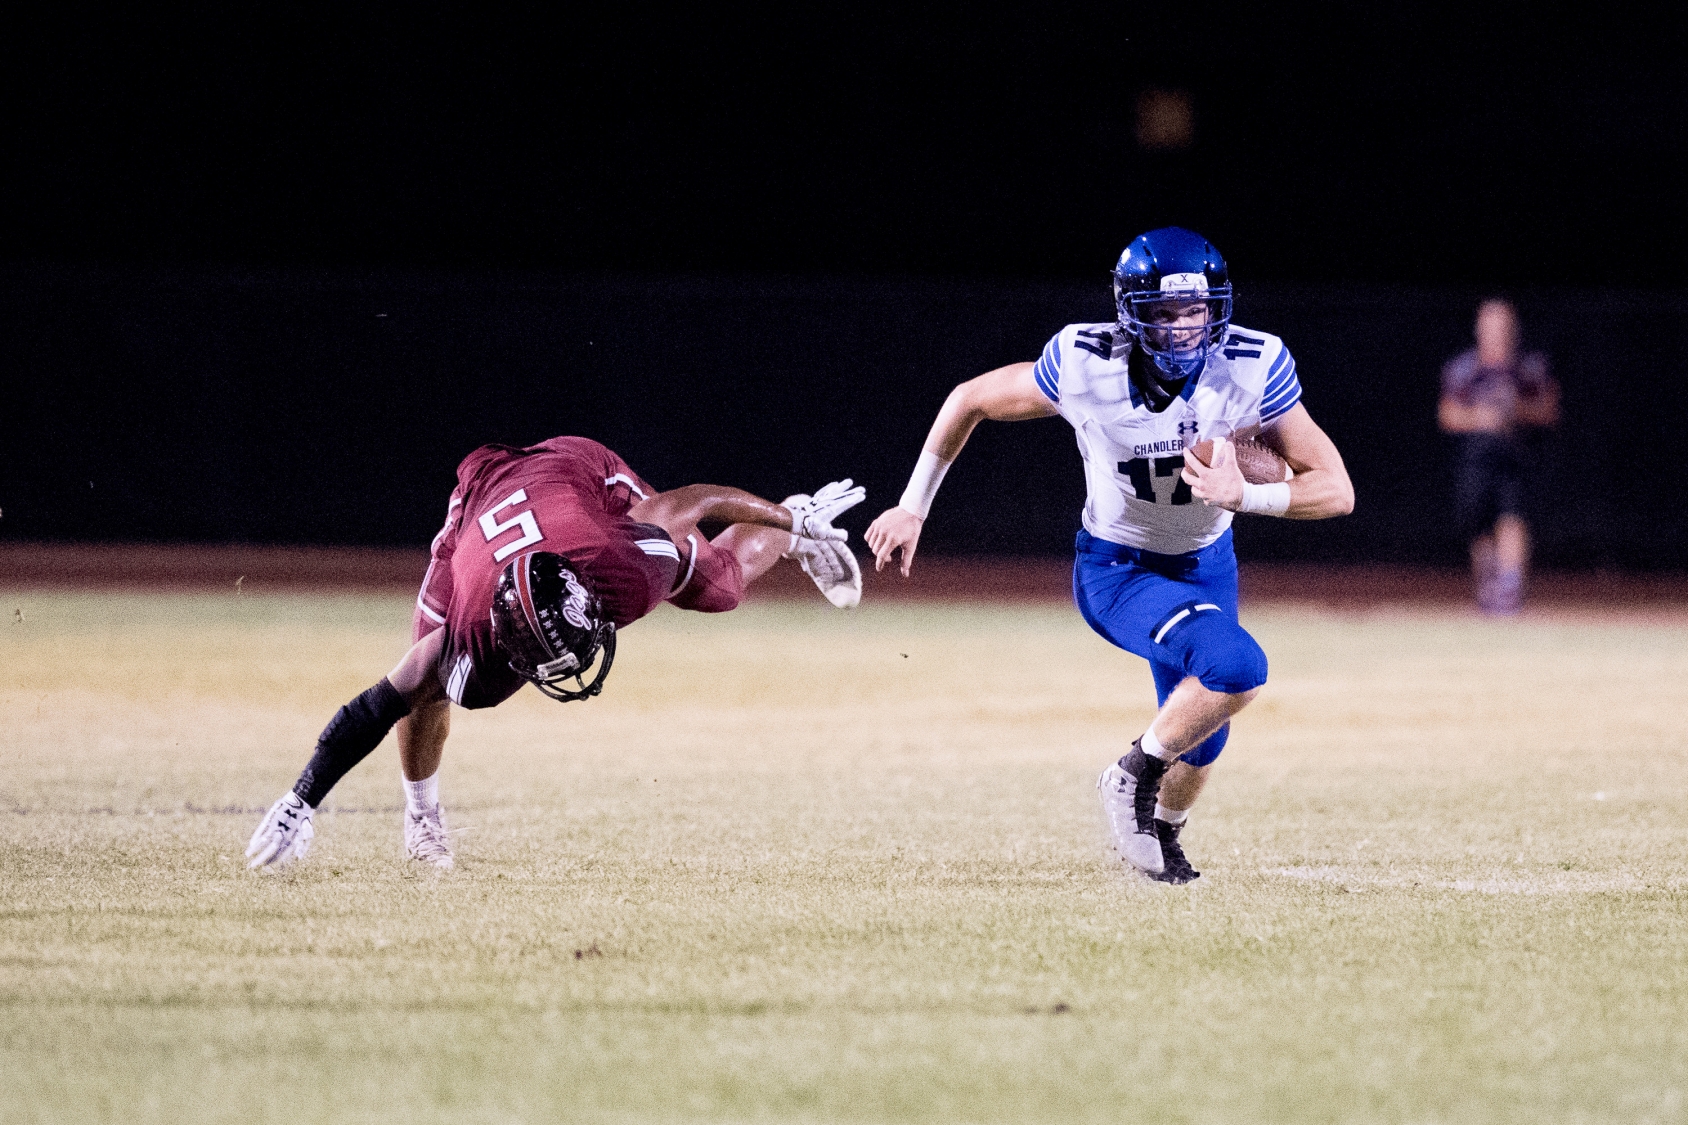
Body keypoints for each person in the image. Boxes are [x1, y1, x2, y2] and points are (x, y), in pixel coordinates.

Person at [865, 227, 1354, 884]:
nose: (1182, 328)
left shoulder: (1251, 364)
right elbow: (970, 399)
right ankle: (1130, 777)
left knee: (1203, 734)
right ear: (1130, 312)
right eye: (1164, 312)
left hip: (1207, 562)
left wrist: (1247, 495)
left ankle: (1164, 834)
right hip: (1119, 568)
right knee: (1238, 667)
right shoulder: (1085, 363)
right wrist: (913, 504)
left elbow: (1336, 490)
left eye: (1195, 310)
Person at [247, 435, 865, 869]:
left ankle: (797, 527)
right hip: (482, 501)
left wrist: (789, 519)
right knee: (426, 686)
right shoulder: (476, 633)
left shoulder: (624, 570)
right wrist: (298, 802)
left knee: (718, 587)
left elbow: (693, 500)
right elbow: (380, 702)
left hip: (576, 471)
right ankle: (422, 817)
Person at [1437, 299, 1558, 614]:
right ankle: (1488, 588)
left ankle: (1510, 590)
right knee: (1478, 523)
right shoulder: (1464, 368)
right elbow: (1447, 414)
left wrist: (1516, 411)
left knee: (1512, 517)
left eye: (1501, 326)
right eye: (1488, 325)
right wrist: (1481, 417)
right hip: (1475, 458)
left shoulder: (1528, 367)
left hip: (1515, 455)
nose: (1495, 332)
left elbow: (1549, 409)